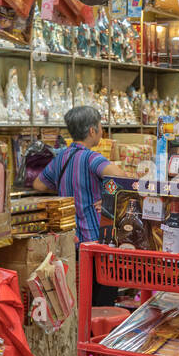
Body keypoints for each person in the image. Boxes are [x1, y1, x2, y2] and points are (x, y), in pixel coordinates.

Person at [34, 105, 127, 307]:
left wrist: (66, 191)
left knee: (79, 299)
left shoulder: (61, 158)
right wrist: (108, 196)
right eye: (101, 126)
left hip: (69, 244)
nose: (102, 131)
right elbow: (122, 177)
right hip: (94, 242)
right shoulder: (91, 158)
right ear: (92, 130)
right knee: (102, 302)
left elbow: (39, 184)